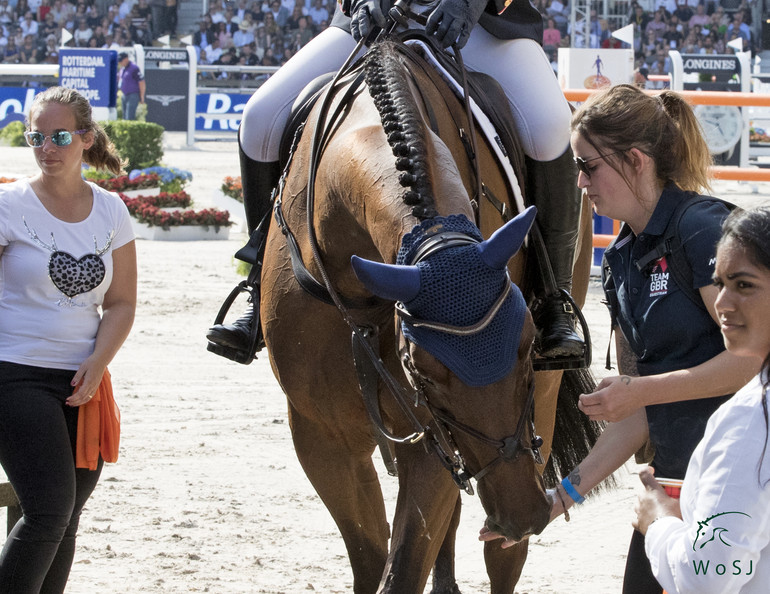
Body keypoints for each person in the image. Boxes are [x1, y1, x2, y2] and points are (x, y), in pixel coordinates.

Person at [479, 84, 758, 594]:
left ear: (635, 160)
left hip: (745, 481)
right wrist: (556, 499)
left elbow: (753, 361)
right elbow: (638, 415)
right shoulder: (622, 259)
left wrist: (641, 390)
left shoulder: (702, 229)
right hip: (673, 489)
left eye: (588, 166)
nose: (579, 181)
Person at [207, 0, 587, 365]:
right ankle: (259, 289)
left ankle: (555, 300)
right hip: (378, 20)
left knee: (550, 129)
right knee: (259, 120)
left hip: (479, 26)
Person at [0, 86, 136, 593]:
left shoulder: (111, 210)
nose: (46, 149)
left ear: (85, 138)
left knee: (68, 516)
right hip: (13, 372)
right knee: (49, 512)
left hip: (84, 380)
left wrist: (99, 363)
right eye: (36, 137)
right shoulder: (8, 204)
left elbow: (120, 303)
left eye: (59, 136)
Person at [633, 206, 770, 593]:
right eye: (720, 283)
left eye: (743, 285)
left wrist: (659, 521)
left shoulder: (751, 421)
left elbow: (705, 577)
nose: (723, 304)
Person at [117, 51, 145, 120]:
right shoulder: (122, 69)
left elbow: (141, 82)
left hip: (133, 95)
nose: (120, 63)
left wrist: (142, 96)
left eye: (121, 61)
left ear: (126, 59)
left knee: (129, 117)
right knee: (124, 117)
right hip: (124, 95)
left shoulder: (134, 68)